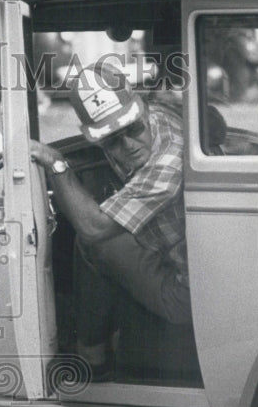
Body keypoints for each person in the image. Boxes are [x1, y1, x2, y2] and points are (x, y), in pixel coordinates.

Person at [28, 62, 190, 378]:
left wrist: (56, 163)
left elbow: (94, 229)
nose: (128, 145)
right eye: (112, 140)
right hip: (181, 258)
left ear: (142, 108)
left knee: (94, 244)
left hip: (186, 292)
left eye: (133, 130)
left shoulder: (169, 160)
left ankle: (91, 357)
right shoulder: (157, 115)